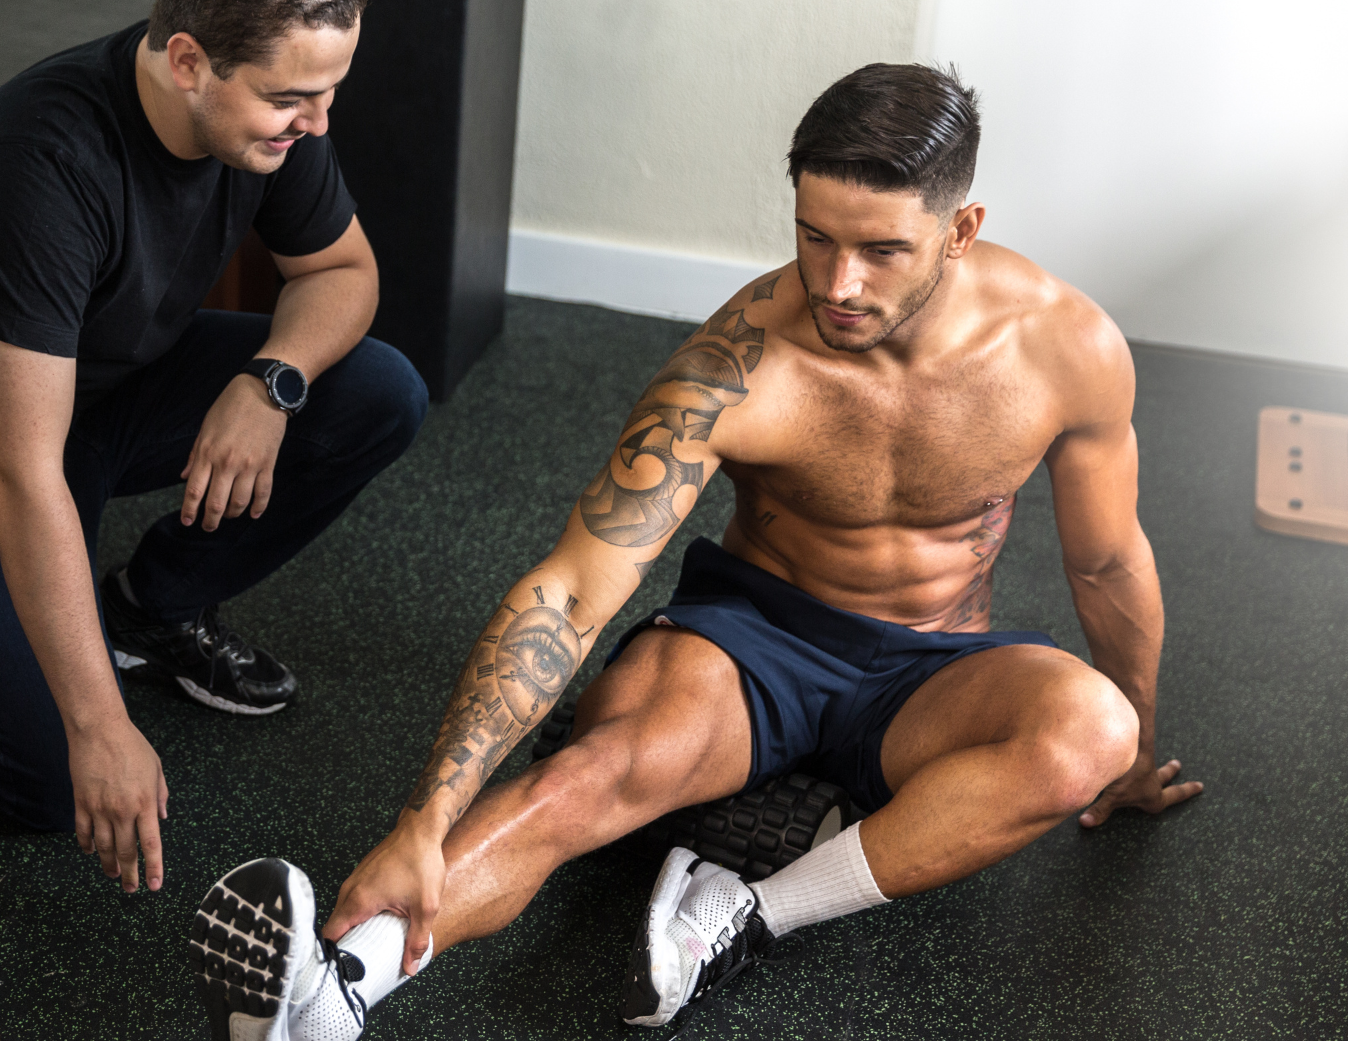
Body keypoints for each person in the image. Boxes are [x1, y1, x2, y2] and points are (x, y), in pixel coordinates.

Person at [188, 63, 1204, 1039]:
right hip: (753, 642)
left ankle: (753, 915)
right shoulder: (736, 368)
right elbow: (574, 590)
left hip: (934, 666)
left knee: (1093, 730)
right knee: (593, 773)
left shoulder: (1067, 349)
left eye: (882, 250)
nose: (840, 284)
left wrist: (1140, 752)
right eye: (815, 238)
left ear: (962, 231)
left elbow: (1107, 564)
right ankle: (339, 990)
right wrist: (424, 814)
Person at [0, 0, 427, 895]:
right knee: (44, 780)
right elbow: (18, 467)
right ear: (190, 62)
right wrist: (99, 726)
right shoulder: (41, 163)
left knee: (377, 391)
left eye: (327, 94)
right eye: (292, 99)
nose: (317, 124)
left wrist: (268, 384)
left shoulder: (279, 116)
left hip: (101, 381)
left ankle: (153, 609)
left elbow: (343, 273)